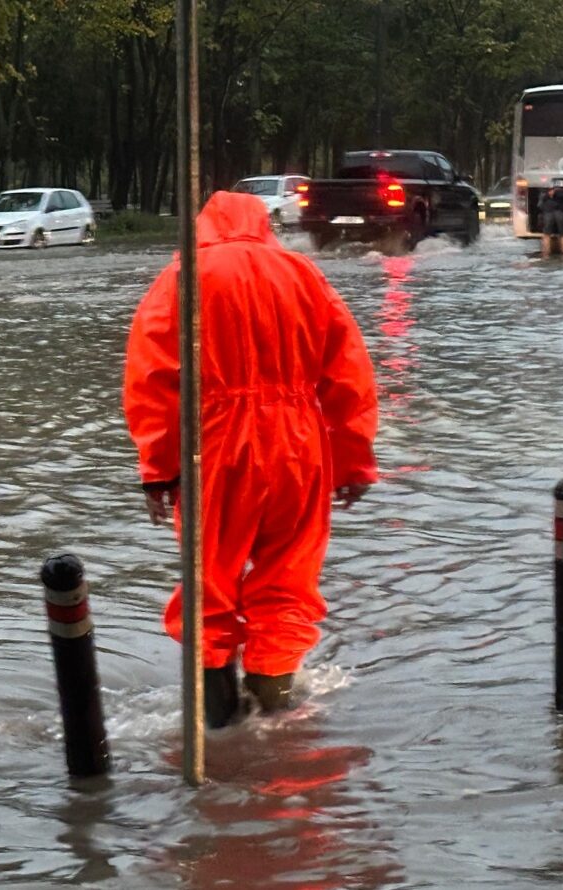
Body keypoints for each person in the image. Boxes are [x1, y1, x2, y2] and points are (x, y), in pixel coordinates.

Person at [123, 191, 379, 728]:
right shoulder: (303, 274)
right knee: (288, 579)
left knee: (207, 580)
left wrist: (159, 469)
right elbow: (348, 373)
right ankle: (275, 719)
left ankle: (219, 727)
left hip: (213, 444)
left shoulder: (182, 276)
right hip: (298, 444)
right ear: (264, 225)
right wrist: (354, 460)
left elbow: (152, 378)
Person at [538, 186, 563, 258]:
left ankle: (545, 254)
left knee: (546, 235)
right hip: (560, 213)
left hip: (548, 213)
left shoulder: (544, 193)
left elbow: (540, 205)